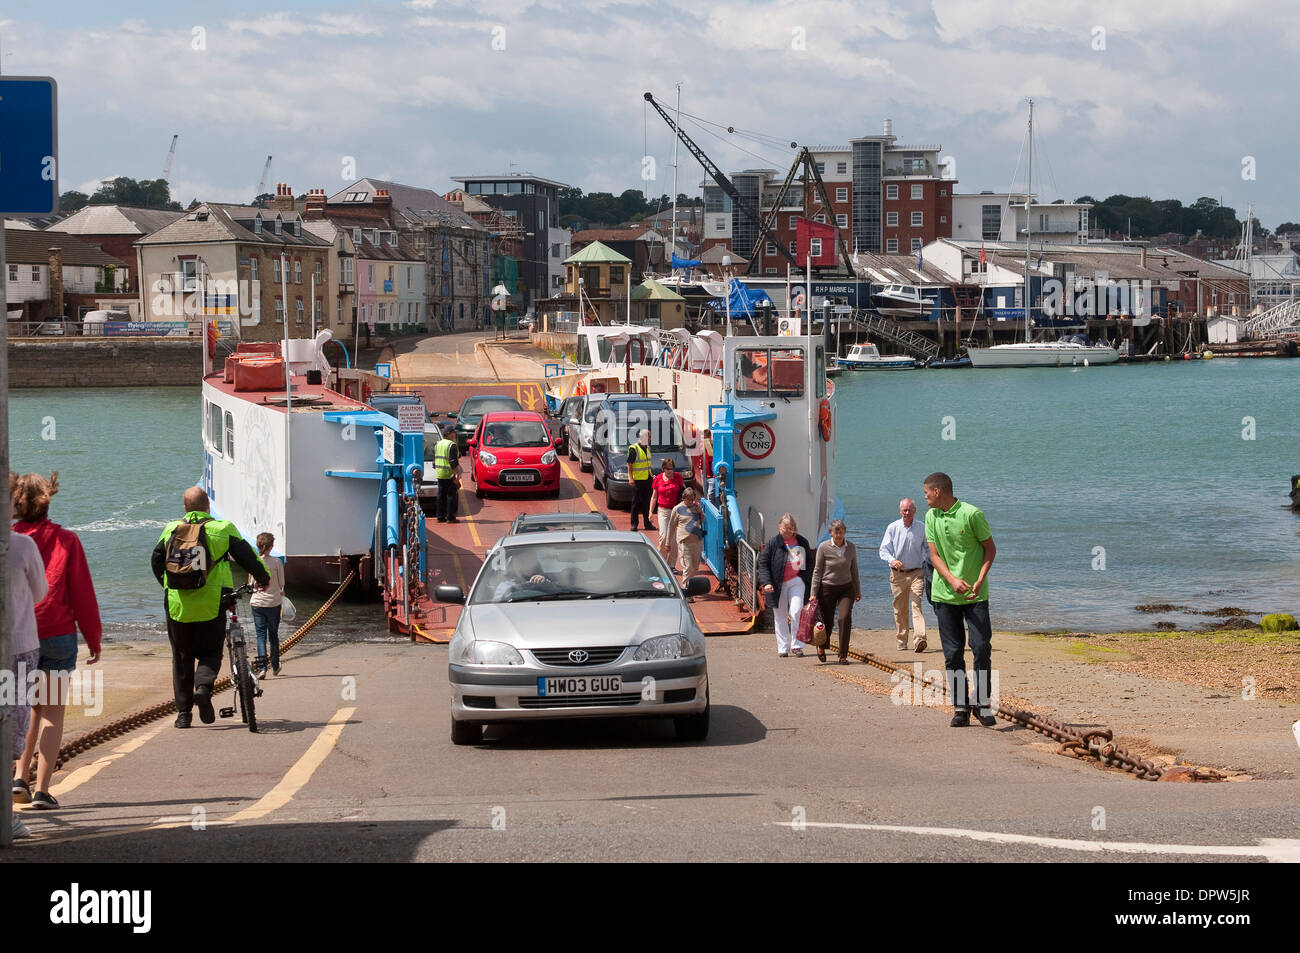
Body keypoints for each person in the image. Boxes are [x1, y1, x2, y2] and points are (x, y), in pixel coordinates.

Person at [11, 472, 102, 812]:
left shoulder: (10, 540)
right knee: (51, 712)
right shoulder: (66, 540)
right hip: (58, 635)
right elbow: (82, 595)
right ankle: (42, 790)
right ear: (48, 499)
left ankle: (20, 776)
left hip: (20, 635)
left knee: (25, 708)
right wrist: (93, 639)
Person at [151, 487, 269, 729]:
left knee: (181, 658)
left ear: (185, 508)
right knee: (211, 652)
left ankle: (184, 715)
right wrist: (263, 578)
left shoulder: (171, 529)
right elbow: (248, 558)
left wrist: (169, 587)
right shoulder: (222, 529)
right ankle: (203, 688)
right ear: (208, 507)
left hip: (177, 606)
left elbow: (156, 561)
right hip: (213, 602)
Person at [922, 472, 997, 728]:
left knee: (981, 647)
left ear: (938, 491)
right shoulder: (931, 516)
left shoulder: (972, 513)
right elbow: (934, 556)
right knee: (953, 653)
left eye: (927, 493)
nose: (925, 497)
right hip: (944, 594)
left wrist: (979, 578)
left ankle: (983, 704)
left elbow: (990, 548)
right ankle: (961, 707)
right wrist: (953, 580)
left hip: (976, 595)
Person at [7, 524, 48, 837]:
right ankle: (6, 819)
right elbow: (40, 592)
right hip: (19, 645)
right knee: (14, 723)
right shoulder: (22, 545)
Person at [757, 514, 813, 658]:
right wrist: (766, 582)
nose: (787, 531)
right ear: (779, 527)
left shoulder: (801, 542)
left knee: (796, 611)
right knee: (780, 615)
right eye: (784, 528)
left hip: (796, 581)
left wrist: (805, 578)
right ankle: (783, 647)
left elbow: (809, 563)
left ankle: (797, 645)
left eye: (790, 528)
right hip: (777, 583)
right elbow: (763, 564)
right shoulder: (773, 543)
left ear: (794, 529)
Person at [879, 497, 929, 652]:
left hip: (917, 573)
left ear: (915, 510)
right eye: (904, 510)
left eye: (910, 510)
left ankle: (919, 638)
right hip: (897, 575)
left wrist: (930, 562)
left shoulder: (922, 527)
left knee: (916, 604)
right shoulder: (893, 527)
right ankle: (902, 639)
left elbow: (928, 548)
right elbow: (883, 550)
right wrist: (892, 560)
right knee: (900, 609)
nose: (907, 513)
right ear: (900, 511)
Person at [811, 518, 861, 664]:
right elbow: (817, 571)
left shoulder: (851, 547)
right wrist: (813, 594)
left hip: (846, 588)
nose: (839, 535)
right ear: (831, 533)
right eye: (836, 532)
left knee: (844, 618)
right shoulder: (823, 547)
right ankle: (822, 646)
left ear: (845, 532)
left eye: (841, 532)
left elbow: (854, 570)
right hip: (827, 587)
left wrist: (857, 590)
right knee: (827, 621)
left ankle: (842, 655)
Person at [250, 533, 285, 678]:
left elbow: (251, 584)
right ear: (271, 546)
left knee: (260, 636)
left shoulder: (254, 562)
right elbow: (281, 583)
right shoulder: (277, 562)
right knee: (273, 635)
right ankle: (275, 666)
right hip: (273, 603)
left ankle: (262, 668)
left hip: (257, 603)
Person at [665, 485, 707, 580]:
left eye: (692, 499)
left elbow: (703, 520)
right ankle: (686, 590)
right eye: (688, 499)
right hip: (684, 542)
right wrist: (668, 543)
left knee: (695, 568)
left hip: (697, 541)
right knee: (687, 567)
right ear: (683, 498)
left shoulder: (696, 506)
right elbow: (671, 526)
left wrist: (700, 513)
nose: (690, 502)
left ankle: (690, 586)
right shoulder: (677, 509)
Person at [649, 458, 684, 558]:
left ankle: (672, 565)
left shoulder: (678, 477)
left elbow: (683, 492)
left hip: (675, 511)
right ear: (663, 469)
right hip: (663, 511)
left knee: (674, 539)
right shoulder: (658, 479)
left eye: (671, 469)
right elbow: (654, 497)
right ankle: (662, 561)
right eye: (667, 469)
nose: (670, 471)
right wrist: (650, 512)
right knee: (663, 537)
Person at [431, 425, 461, 523]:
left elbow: (434, 460)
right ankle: (450, 517)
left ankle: (440, 516)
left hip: (440, 473)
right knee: (451, 496)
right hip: (449, 473)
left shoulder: (438, 444)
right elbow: (453, 461)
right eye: (453, 432)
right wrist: (457, 474)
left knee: (441, 495)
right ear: (449, 434)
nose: (455, 434)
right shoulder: (451, 445)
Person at [627, 428, 654, 531]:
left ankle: (647, 524)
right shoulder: (634, 448)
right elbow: (629, 464)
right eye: (649, 437)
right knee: (636, 503)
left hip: (647, 479)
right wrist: (631, 478)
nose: (651, 439)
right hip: (638, 480)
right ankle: (634, 524)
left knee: (647, 503)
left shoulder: (647, 448)